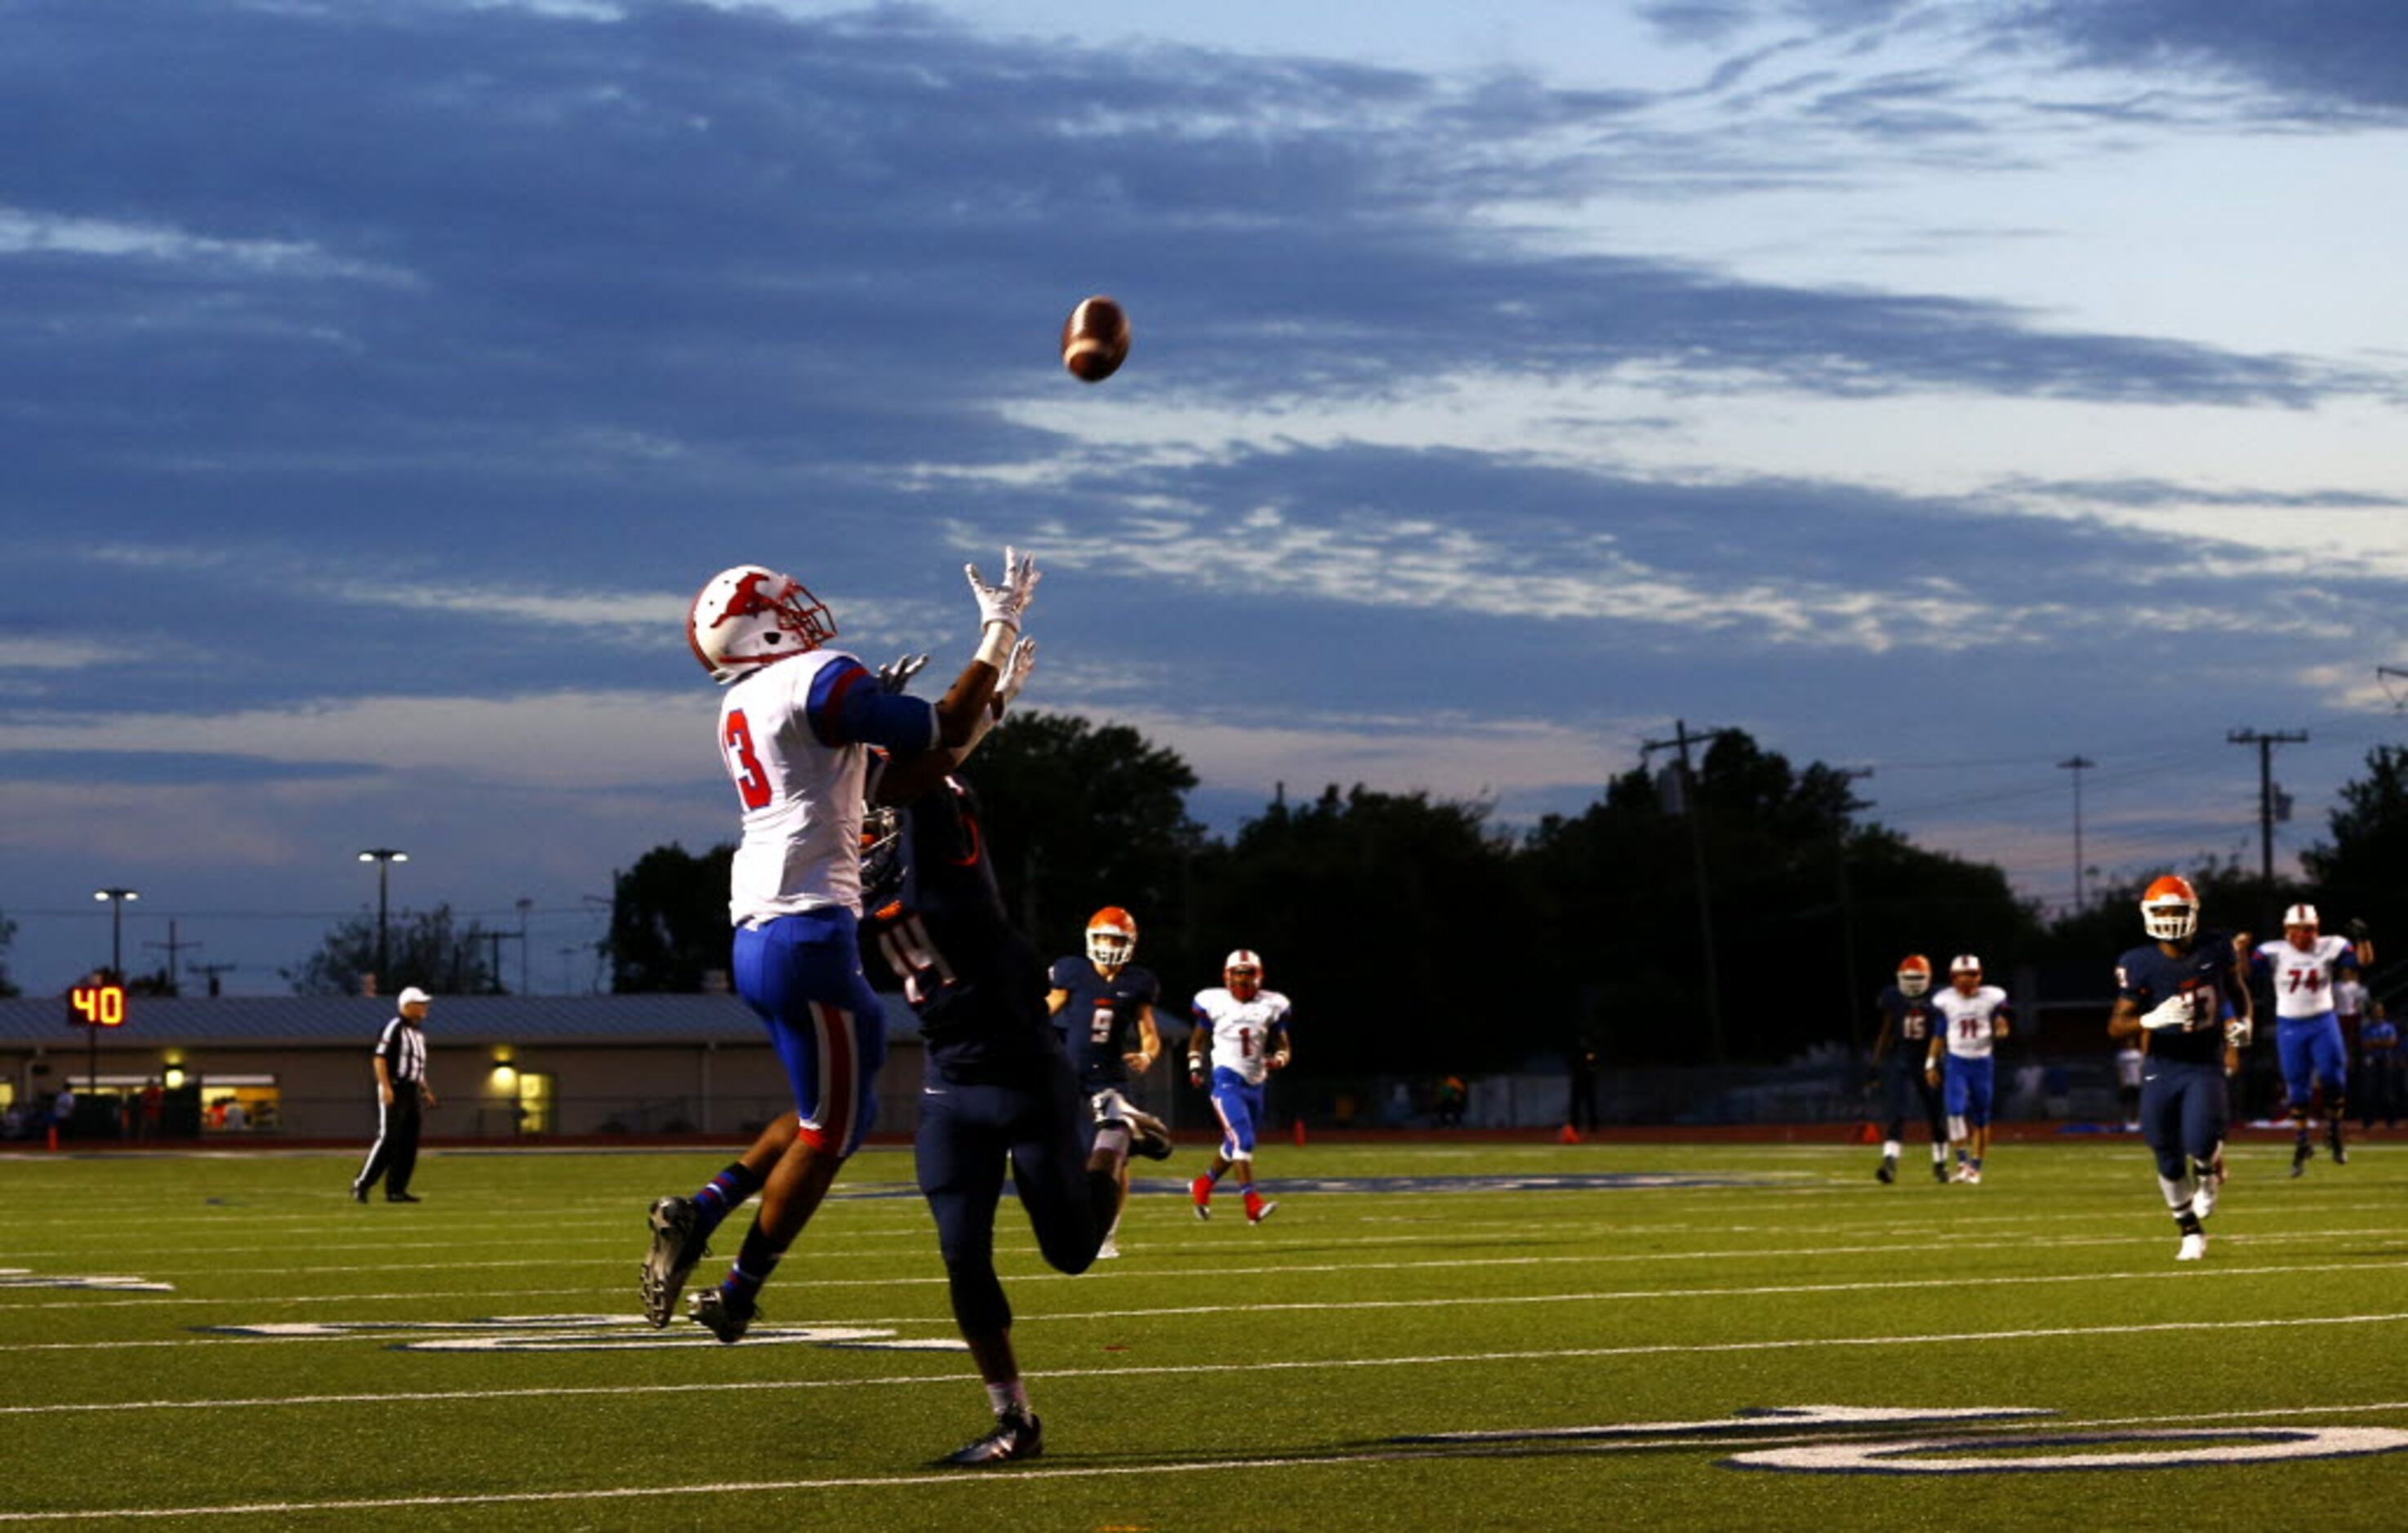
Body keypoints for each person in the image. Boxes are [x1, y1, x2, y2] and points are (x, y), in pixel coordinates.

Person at [643, 549, 1040, 1342]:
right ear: (759, 627)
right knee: (833, 1134)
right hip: (809, 933)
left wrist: (984, 713)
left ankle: (703, 1211)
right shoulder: (815, 676)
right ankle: (737, 1293)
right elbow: (941, 726)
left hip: (761, 933)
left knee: (824, 1112)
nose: (799, 607)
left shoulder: (740, 705)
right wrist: (997, 631)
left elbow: (894, 783)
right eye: (778, 602)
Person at [867, 771, 1168, 1465]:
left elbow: (931, 786)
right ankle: (1015, 1420)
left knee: (1069, 1254)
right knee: (960, 1253)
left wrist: (946, 717)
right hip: (951, 1092)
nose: (862, 832)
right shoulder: (850, 899)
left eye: (876, 819)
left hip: (1031, 1084)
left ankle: (1114, 1136)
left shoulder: (950, 879)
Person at [2108, 873, 2253, 1261]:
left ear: (2193, 912)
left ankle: (2208, 1173)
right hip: (2161, 1064)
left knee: (2202, 1140)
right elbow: (2115, 1025)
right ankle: (2190, 1231)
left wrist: (2238, 1043)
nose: (2170, 916)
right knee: (2165, 1152)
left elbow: (2238, 999)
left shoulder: (2216, 947)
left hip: (2203, 1061)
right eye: (2163, 910)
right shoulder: (2137, 963)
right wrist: (2148, 1020)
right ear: (2149, 914)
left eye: (2177, 909)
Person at [1045, 905, 1164, 1260]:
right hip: (1069, 1072)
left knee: (1116, 1159)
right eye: (1103, 937)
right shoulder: (1072, 973)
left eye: (1116, 938)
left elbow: (1150, 1033)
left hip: (1110, 1078)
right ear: (1090, 939)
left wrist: (1147, 1055)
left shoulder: (1138, 982)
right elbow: (1049, 1004)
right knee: (1070, 1152)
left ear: (1129, 942)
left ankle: (1108, 1230)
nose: (1109, 944)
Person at [2237, 904, 2371, 1175]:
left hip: (2323, 1020)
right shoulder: (2272, 950)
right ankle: (2302, 1142)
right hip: (2290, 1025)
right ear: (2286, 930)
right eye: (2296, 929)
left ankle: (2334, 1131)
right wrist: (2240, 950)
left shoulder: (2331, 945)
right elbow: (2247, 973)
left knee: (2334, 1078)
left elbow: (2362, 962)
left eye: (2308, 929)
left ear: (2317, 929)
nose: (2302, 935)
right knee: (2296, 1087)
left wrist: (2363, 939)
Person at [1187, 950, 1292, 1224]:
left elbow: (1283, 1045)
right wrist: (1195, 1066)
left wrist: (1280, 1059)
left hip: (1256, 1083)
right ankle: (1251, 1204)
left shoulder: (1273, 1004)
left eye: (1248, 974)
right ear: (1228, 976)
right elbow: (1197, 1039)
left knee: (1232, 1144)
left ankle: (1203, 1184)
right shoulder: (1213, 1001)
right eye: (1238, 973)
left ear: (1258, 976)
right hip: (1226, 1080)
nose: (1243, 980)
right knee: (1243, 1140)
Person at [1924, 954, 2010, 1184]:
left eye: (1973, 975)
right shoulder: (1945, 1001)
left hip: (1982, 1062)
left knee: (1981, 1118)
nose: (1969, 980)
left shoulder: (1992, 997)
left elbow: (2000, 1020)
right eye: (1964, 975)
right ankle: (1962, 1163)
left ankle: (1976, 1168)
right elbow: (1939, 1035)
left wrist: (2001, 1028)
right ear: (1954, 977)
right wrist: (1930, 1064)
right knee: (1955, 1111)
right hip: (1956, 1061)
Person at [351, 986, 437, 1203]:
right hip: (395, 1087)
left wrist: (425, 1089)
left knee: (408, 1142)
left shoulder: (418, 1033)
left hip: (410, 1090)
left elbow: (416, 1066)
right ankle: (361, 1183)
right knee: (388, 1138)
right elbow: (379, 1058)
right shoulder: (394, 1027)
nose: (425, 1007)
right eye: (420, 1003)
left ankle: (396, 1190)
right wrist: (386, 1087)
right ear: (408, 1005)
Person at [1870, 954, 1947, 1184]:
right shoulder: (1892, 997)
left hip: (1930, 1061)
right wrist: (1876, 1063)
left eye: (1918, 977)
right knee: (1896, 1111)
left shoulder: (1939, 998)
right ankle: (1890, 1162)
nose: (1913, 982)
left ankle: (1940, 1163)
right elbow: (1886, 1032)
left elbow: (1945, 1032)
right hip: (1903, 1060)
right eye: (1908, 977)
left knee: (1936, 1115)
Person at [2360, 1001, 2400, 1131]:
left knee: (2388, 1093)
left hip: (2386, 1060)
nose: (2378, 1013)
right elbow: (2365, 1045)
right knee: (2369, 1093)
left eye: (2380, 1010)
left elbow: (2392, 1043)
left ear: (2383, 1012)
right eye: (2375, 1011)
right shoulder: (2367, 1028)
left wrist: (2375, 1043)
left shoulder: (2389, 1027)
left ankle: (2391, 1122)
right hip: (2371, 1061)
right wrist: (2383, 1043)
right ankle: (2368, 1122)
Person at [1565, 1038, 1600, 1132]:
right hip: (1578, 1080)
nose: (1582, 1042)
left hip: (1588, 1081)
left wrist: (1592, 1070)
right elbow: (1570, 1063)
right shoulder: (1575, 1052)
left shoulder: (1590, 1050)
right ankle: (1574, 1126)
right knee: (1575, 1105)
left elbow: (1594, 1063)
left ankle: (1593, 1126)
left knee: (1590, 1104)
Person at [2115, 1042, 2145, 1131]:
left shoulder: (2138, 1054)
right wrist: (2122, 1081)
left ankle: (2136, 1121)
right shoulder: (2122, 1055)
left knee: (2137, 1102)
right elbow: (2120, 1069)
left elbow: (2142, 1068)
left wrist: (2142, 1080)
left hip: (2137, 1082)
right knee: (2127, 1102)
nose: (2130, 1044)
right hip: (2127, 1082)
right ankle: (2127, 1120)